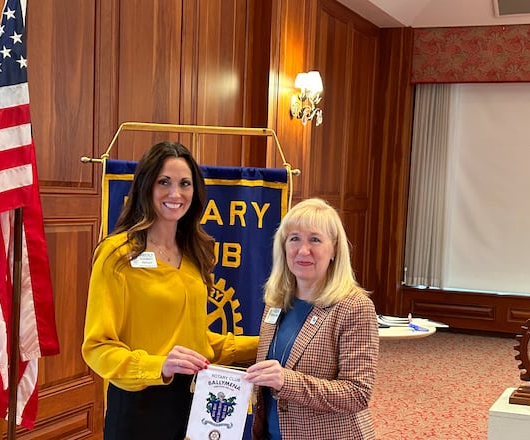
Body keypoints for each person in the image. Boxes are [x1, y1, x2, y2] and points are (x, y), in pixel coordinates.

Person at [81, 141, 258, 439]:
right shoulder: (117, 255)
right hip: (141, 403)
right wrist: (158, 365)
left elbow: (197, 342)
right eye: (164, 182)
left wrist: (266, 341)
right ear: (146, 186)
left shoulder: (194, 255)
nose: (175, 194)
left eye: (184, 183)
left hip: (195, 400)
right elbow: (97, 348)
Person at [244, 198, 379, 440]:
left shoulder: (354, 307)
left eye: (315, 239)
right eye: (294, 238)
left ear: (335, 248)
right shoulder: (276, 301)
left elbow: (358, 393)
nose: (303, 250)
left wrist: (287, 381)